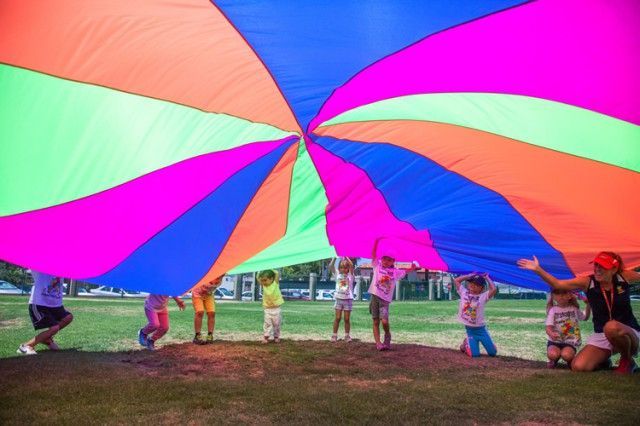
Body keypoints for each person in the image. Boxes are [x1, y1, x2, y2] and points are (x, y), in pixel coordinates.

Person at [518, 252, 640, 373]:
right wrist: (537, 269)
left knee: (611, 326)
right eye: (596, 265)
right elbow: (558, 284)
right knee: (578, 366)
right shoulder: (588, 282)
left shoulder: (624, 277)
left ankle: (627, 360)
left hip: (628, 331)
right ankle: (603, 359)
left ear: (614, 269)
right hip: (601, 334)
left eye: (602, 267)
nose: (597, 269)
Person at [368, 239, 418, 350]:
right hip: (375, 297)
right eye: (384, 259)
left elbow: (405, 271)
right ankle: (378, 343)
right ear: (381, 259)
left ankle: (387, 334)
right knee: (375, 320)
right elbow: (373, 254)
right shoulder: (377, 266)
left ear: (393, 262)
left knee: (384, 321)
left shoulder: (395, 272)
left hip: (384, 301)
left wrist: (412, 268)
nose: (386, 261)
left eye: (389, 260)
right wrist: (376, 242)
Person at [17, 271, 73, 355]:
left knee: (68, 317)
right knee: (54, 328)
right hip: (40, 304)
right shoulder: (39, 267)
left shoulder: (63, 267)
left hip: (56, 305)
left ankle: (46, 338)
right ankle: (26, 346)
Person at [452, 272, 498, 357]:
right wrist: (468, 276)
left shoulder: (483, 296)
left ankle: (490, 345)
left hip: (481, 330)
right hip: (470, 331)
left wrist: (487, 278)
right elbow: (456, 280)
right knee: (475, 355)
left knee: (492, 353)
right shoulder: (464, 292)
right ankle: (466, 344)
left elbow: (494, 289)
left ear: (481, 288)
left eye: (476, 285)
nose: (472, 286)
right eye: (471, 284)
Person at [545, 289, 591, 368]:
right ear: (553, 296)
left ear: (570, 295)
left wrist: (588, 305)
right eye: (558, 294)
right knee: (552, 354)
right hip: (555, 341)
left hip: (570, 341)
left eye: (564, 293)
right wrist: (551, 333)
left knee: (566, 355)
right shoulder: (553, 310)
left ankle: (570, 360)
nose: (561, 296)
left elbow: (585, 317)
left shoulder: (574, 308)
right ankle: (553, 359)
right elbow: (548, 327)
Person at [329, 257, 355, 342]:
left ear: (348, 269)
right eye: (341, 267)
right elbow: (331, 266)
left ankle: (347, 336)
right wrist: (334, 257)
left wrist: (346, 256)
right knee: (338, 318)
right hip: (339, 299)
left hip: (348, 300)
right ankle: (334, 335)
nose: (343, 269)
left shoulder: (350, 276)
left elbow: (351, 265)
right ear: (339, 268)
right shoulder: (337, 275)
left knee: (347, 319)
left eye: (345, 268)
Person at [191, 276, 222, 345]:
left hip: (208, 295)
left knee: (212, 313)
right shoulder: (210, 273)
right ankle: (197, 335)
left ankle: (210, 335)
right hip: (197, 294)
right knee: (200, 312)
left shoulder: (220, 278)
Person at [258, 269, 284, 344]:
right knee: (267, 323)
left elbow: (276, 273)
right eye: (262, 280)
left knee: (277, 324)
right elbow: (258, 277)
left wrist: (269, 267)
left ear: (271, 279)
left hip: (276, 309)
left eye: (265, 280)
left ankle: (276, 336)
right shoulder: (264, 285)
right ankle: (266, 337)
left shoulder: (275, 283)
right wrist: (260, 270)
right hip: (267, 309)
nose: (263, 282)